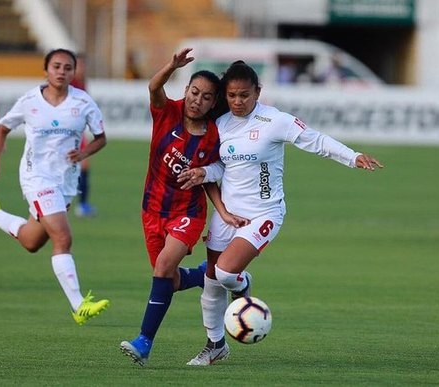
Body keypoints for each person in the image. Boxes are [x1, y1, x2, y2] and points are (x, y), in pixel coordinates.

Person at [178, 60, 383, 366]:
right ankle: (215, 344)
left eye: (244, 95)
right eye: (232, 95)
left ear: (257, 92)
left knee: (225, 273)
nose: (237, 101)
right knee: (211, 281)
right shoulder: (220, 124)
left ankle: (243, 285)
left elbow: (316, 141)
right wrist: (203, 172)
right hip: (227, 214)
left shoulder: (275, 121)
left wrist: (352, 157)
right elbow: (223, 165)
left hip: (264, 213)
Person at [119, 48, 249, 366]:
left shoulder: (213, 137)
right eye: (194, 92)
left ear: (213, 102)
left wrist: (222, 212)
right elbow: (152, 88)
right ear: (185, 90)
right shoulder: (168, 113)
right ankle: (208, 273)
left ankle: (144, 342)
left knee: (163, 268)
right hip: (151, 210)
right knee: (170, 280)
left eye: (206, 97)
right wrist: (171, 66)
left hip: (187, 214)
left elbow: (210, 180)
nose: (197, 100)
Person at [0, 48, 109, 325]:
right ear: (46, 69)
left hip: (66, 183)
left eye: (67, 67)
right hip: (37, 178)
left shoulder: (83, 103)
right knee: (63, 239)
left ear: (74, 72)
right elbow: (2, 128)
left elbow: (101, 138)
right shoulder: (30, 100)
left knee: (32, 242)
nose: (62, 72)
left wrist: (83, 154)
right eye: (56, 66)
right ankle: (79, 304)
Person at [70, 53, 96, 217]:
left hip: (78, 130)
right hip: (68, 131)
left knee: (84, 165)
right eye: (79, 65)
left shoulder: (82, 82)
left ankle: (83, 205)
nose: (82, 68)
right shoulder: (69, 83)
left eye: (83, 65)